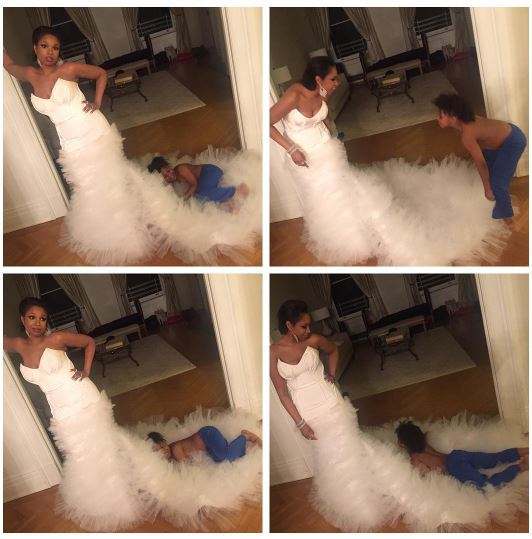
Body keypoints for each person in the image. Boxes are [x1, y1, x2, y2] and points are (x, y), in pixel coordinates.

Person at [3, 27, 260, 265]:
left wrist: (97, 102)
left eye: (55, 47)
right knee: (88, 186)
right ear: (35, 48)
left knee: (113, 180)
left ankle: (128, 232)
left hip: (94, 133)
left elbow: (101, 73)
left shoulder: (69, 69)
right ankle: (104, 229)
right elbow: (8, 64)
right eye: (45, 46)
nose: (50, 52)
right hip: (70, 142)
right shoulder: (29, 74)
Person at [4, 297, 261, 531]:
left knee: (106, 445)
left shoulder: (57, 339)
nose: (38, 323)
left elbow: (90, 342)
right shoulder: (16, 345)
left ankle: (133, 490)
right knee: (81, 455)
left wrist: (86, 370)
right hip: (60, 410)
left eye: (42, 318)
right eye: (32, 318)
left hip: (82, 399)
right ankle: (102, 496)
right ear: (22, 319)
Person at [270, 299, 528, 532]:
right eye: (303, 326)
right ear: (289, 325)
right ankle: (358, 496)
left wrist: (331, 374)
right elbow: (282, 393)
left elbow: (333, 351)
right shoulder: (273, 353)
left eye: (309, 325)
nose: (308, 330)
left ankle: (383, 485)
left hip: (333, 404)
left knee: (354, 446)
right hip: (308, 413)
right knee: (331, 457)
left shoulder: (314, 340)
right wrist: (300, 423)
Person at [269, 57, 510, 266]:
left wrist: (331, 132)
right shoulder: (294, 95)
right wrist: (291, 149)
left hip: (328, 149)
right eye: (333, 79)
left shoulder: (323, 94)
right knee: (324, 197)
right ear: (318, 79)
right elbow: (267, 124)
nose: (337, 83)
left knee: (345, 189)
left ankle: (368, 229)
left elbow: (323, 118)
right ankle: (349, 238)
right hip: (304, 155)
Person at [433, 93, 527, 226]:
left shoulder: (467, 135)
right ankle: (500, 201)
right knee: (491, 170)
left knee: (497, 183)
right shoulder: (466, 123)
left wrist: (487, 188)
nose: (437, 118)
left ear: (453, 116)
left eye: (440, 115)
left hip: (513, 142)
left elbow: (480, 163)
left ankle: (508, 218)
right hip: (504, 137)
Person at [396, 421, 529, 489]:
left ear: (404, 444)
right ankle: (527, 449)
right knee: (495, 458)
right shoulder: (426, 439)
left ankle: (521, 466)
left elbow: (431, 478)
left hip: (453, 467)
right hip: (456, 455)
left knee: (486, 487)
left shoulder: (415, 459)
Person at [147, 156, 249, 211]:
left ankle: (237, 190)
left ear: (169, 166)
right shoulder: (171, 181)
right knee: (199, 198)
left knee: (201, 192)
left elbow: (194, 184)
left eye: (168, 171)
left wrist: (184, 198)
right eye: (166, 176)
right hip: (204, 180)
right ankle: (226, 200)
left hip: (210, 171)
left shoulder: (181, 169)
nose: (170, 175)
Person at [147, 427, 262, 462]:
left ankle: (246, 436)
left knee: (226, 457)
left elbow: (186, 469)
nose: (164, 450)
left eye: (163, 446)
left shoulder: (175, 450)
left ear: (165, 442)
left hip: (208, 435)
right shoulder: (170, 454)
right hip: (208, 446)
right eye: (159, 450)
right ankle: (239, 448)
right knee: (220, 460)